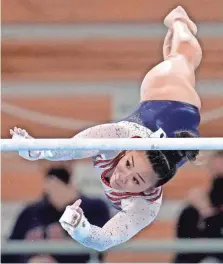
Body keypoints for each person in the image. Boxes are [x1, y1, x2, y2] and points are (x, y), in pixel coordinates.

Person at [10, 6, 202, 251]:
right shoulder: (118, 138)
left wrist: (81, 229)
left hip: (170, 130)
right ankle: (178, 23)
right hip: (166, 95)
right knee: (181, 59)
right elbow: (74, 147)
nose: (122, 177)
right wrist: (36, 151)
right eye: (129, 164)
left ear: (151, 187)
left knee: (183, 60)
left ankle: (179, 29)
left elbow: (104, 239)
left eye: (137, 180)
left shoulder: (145, 207)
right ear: (127, 151)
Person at [2, 167, 110, 263]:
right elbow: (9, 252)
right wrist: (29, 261)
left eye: (58, 185)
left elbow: (99, 246)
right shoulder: (31, 212)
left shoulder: (94, 207)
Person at [173, 151, 223, 263]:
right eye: (216, 174)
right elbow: (184, 254)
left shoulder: (203, 205)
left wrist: (207, 211)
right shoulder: (192, 209)